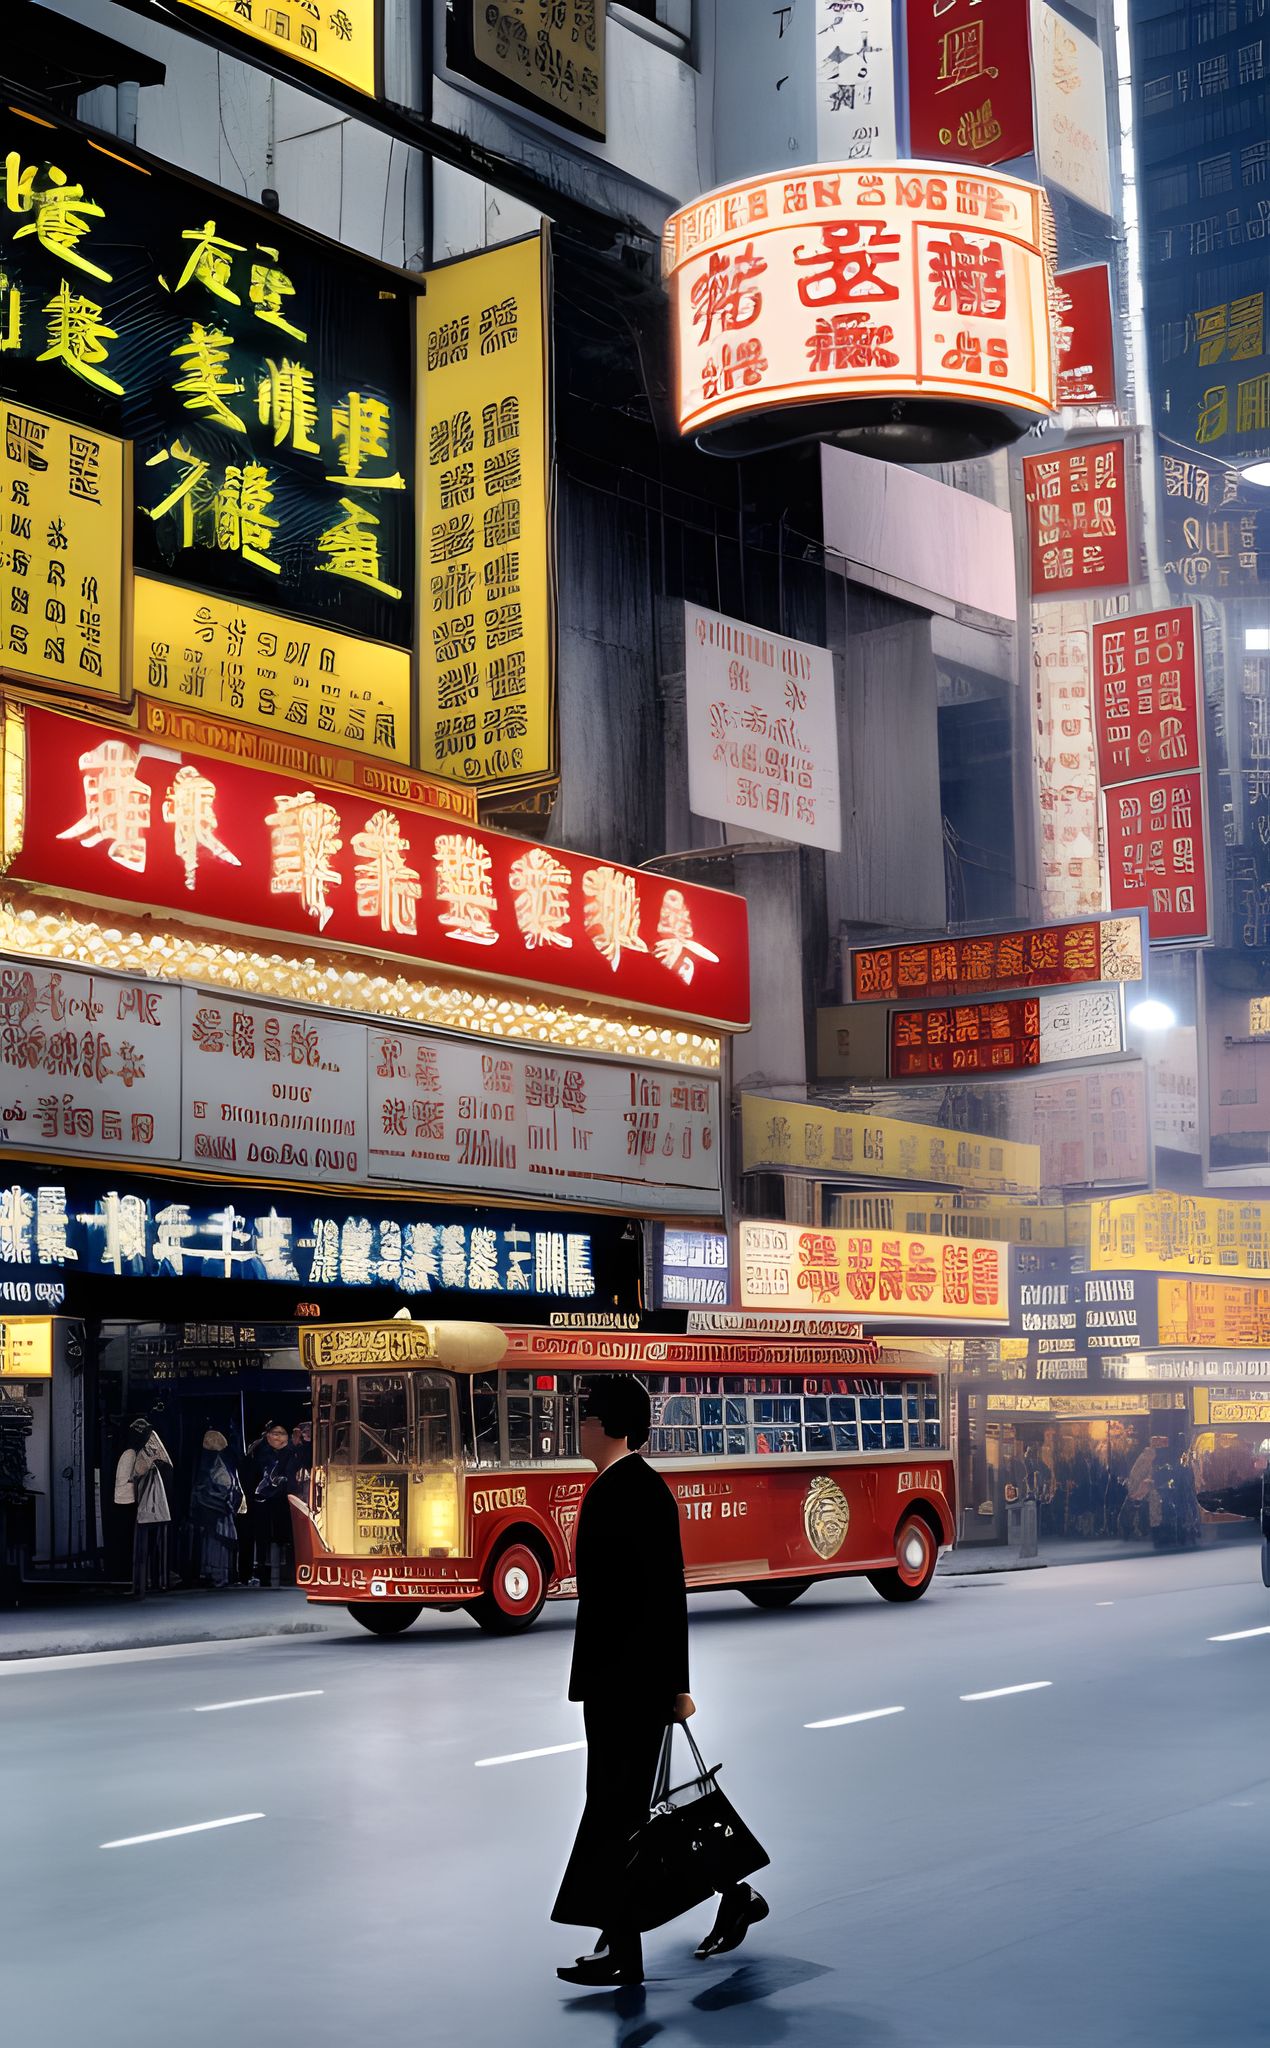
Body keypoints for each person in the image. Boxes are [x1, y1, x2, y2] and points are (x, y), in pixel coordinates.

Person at [552, 1373, 768, 1988]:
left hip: (631, 1686)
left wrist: (676, 1685)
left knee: (617, 1811)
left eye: (589, 1415)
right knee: (631, 1811)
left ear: (614, 1426)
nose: (583, 1424)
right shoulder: (619, 1488)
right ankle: (729, 1895)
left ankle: (624, 1951)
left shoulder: (636, 1493)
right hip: (616, 1682)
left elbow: (665, 1597)